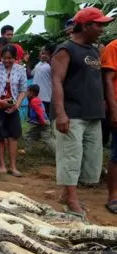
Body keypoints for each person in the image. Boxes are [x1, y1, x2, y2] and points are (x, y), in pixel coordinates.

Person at [51, 7, 112, 217]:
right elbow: (57, 81)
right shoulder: (65, 50)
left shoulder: (95, 50)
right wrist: (60, 113)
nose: (102, 29)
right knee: (71, 157)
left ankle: (65, 194)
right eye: (99, 25)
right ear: (85, 25)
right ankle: (72, 200)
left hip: (92, 114)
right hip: (72, 113)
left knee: (90, 159)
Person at [0, 44, 27, 177]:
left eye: (10, 58)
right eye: (4, 58)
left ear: (15, 58)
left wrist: (17, 105)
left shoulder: (20, 69)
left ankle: (13, 166)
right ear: (0, 57)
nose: (7, 61)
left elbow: (23, 89)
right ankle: (2, 165)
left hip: (13, 106)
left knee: (13, 136)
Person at [102, 39, 117, 214]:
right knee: (116, 153)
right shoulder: (113, 47)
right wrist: (113, 109)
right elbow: (108, 80)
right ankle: (113, 196)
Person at [24, 84, 54, 151]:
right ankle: (53, 150)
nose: (26, 93)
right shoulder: (35, 100)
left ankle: (27, 150)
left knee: (28, 135)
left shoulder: (34, 101)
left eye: (28, 91)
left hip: (40, 123)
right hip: (42, 122)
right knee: (46, 138)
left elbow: (39, 112)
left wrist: (42, 121)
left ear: (32, 92)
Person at [28, 45, 54, 116]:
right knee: (35, 119)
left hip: (46, 98)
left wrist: (49, 60)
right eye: (41, 52)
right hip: (36, 97)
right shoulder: (39, 64)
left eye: (44, 52)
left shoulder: (52, 64)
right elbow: (31, 74)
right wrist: (28, 62)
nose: (42, 54)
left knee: (45, 119)